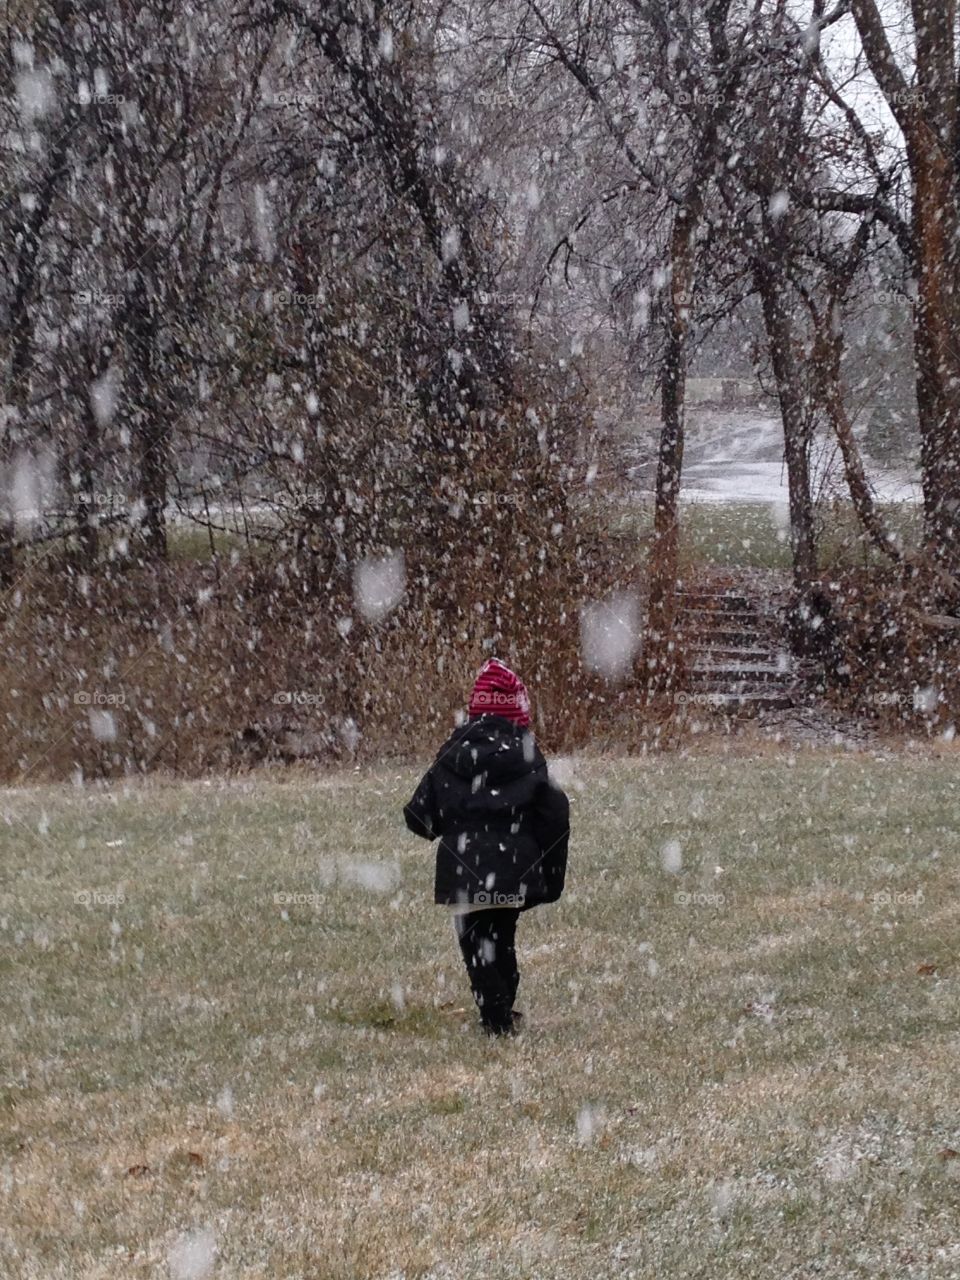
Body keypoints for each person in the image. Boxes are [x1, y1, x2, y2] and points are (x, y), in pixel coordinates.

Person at [404, 658, 570, 1036]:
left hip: (463, 868)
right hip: (514, 869)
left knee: (475, 944)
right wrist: (547, 868)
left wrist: (437, 821)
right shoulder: (527, 754)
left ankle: (494, 1014)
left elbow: (421, 813)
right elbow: (554, 812)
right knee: (502, 935)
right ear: (518, 710)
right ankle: (503, 1007)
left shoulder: (453, 752)